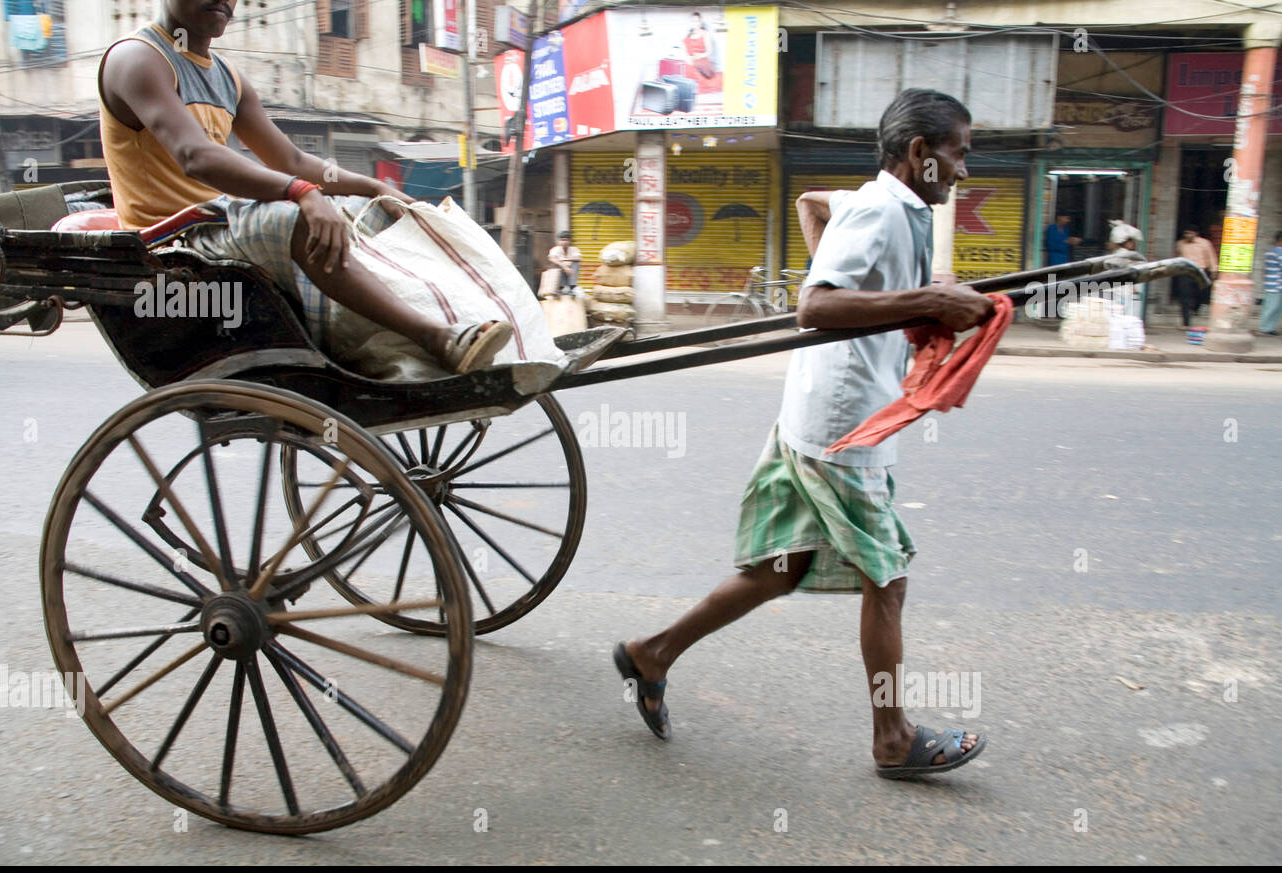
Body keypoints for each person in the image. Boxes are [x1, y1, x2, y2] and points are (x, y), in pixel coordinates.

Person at [613, 88, 994, 778]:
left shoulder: (889, 206)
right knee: (890, 579)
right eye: (957, 154)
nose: (964, 171)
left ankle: (653, 653)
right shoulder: (880, 210)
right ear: (918, 153)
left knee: (777, 571)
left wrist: (916, 296)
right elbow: (815, 306)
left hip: (824, 416)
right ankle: (892, 738)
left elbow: (810, 207)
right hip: (843, 428)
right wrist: (930, 300)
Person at [97, 0, 512, 375]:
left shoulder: (228, 79)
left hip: (217, 226)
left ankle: (429, 331)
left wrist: (373, 188)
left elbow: (293, 161)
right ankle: (433, 338)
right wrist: (302, 193)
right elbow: (196, 156)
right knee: (301, 219)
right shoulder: (138, 58)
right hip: (171, 242)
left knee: (366, 214)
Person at [1173, 226, 1218, 326]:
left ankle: (1195, 307)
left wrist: (1214, 270)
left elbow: (1211, 256)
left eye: (1190, 233)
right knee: (1184, 296)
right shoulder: (1180, 244)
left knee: (1201, 293)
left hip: (1201, 271)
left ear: (1195, 234)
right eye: (1186, 233)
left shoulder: (1205, 243)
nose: (1187, 235)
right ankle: (1186, 322)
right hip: (1185, 272)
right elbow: (1177, 256)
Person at [1259, 231, 1282, 336]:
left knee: (1271, 306)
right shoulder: (1279, 252)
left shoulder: (1269, 251)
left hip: (1270, 282)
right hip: (1277, 284)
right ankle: (1266, 328)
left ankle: (1268, 327)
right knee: (1274, 307)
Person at [683, 12, 715, 80]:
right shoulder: (687, 36)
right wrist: (688, 59)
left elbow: (709, 51)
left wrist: (699, 56)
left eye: (697, 21)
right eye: (693, 21)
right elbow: (685, 52)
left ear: (700, 22)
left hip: (702, 67)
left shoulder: (705, 34)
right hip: (690, 67)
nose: (695, 23)